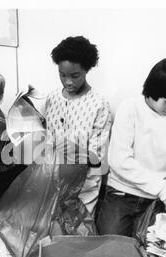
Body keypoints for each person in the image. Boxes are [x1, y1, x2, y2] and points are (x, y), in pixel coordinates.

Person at [96, 57, 166, 237]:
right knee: (111, 250)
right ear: (152, 91)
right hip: (121, 194)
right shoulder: (130, 108)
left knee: (153, 254)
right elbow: (119, 161)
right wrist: (163, 190)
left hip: (157, 201)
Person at [44, 36, 112, 215]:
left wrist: (70, 153)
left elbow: (96, 156)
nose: (68, 82)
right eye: (62, 75)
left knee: (75, 231)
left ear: (86, 70)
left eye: (75, 76)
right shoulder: (52, 98)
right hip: (51, 177)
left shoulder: (98, 105)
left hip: (84, 183)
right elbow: (45, 138)